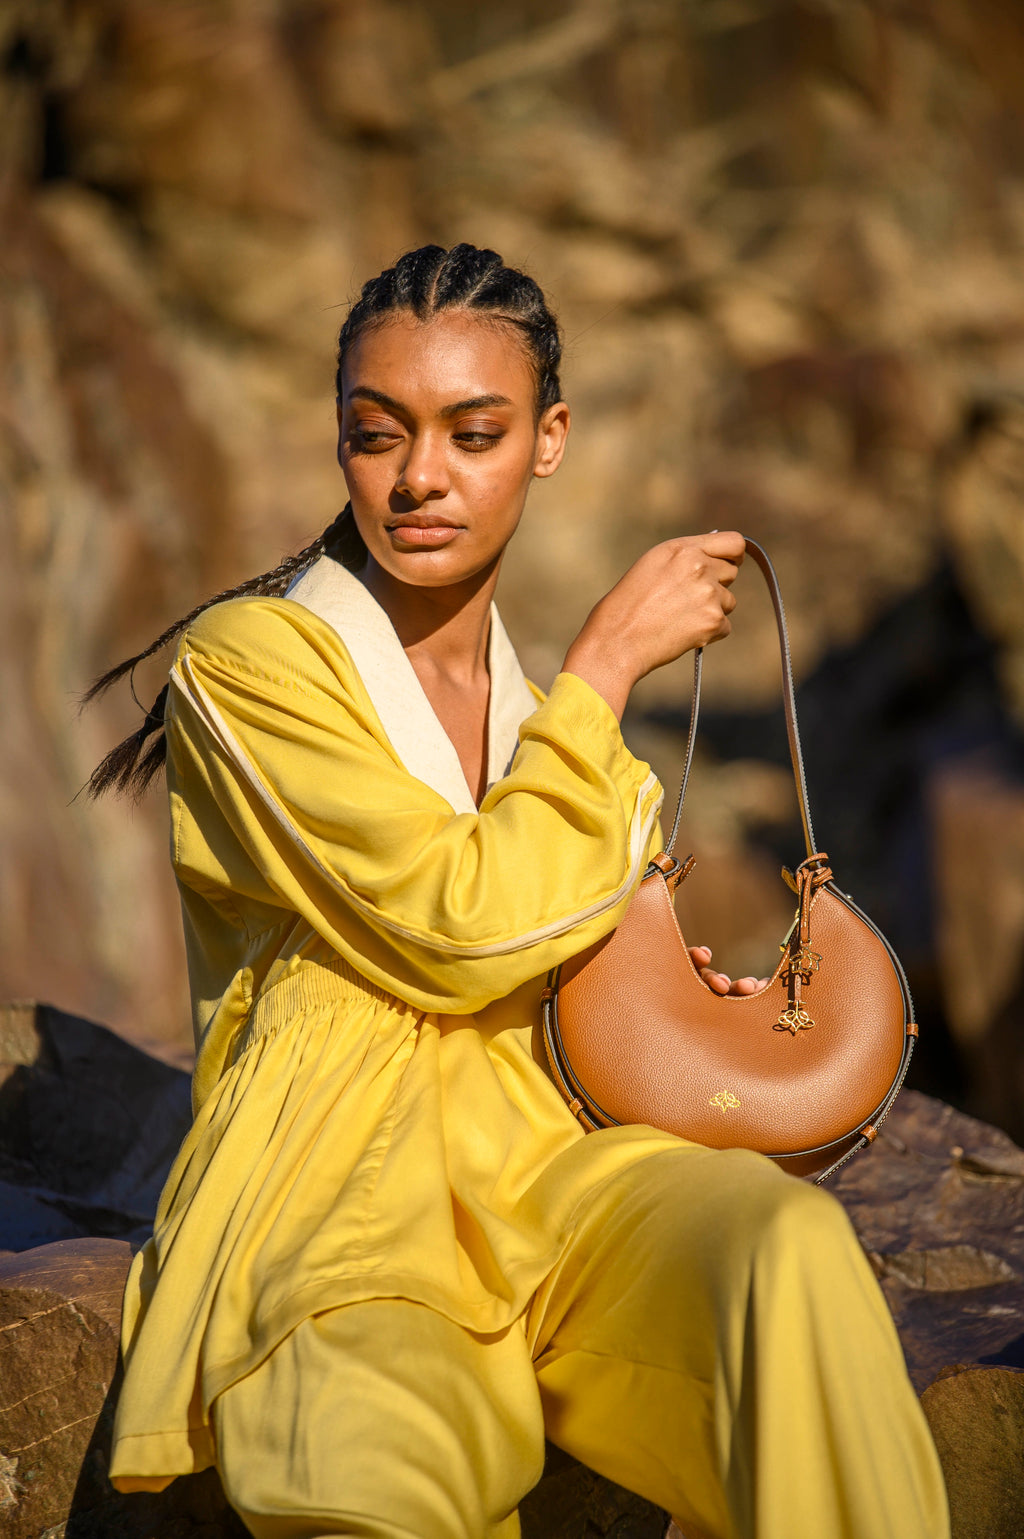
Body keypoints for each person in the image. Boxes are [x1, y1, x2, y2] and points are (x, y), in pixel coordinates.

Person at [90, 243, 948, 1539]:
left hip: (563, 1192)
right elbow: (462, 924)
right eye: (377, 435)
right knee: (367, 1473)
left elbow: (550, 953)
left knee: (786, 1252)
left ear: (548, 440)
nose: (420, 476)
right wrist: (607, 663)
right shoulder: (253, 671)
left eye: (472, 432)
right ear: (340, 444)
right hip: (346, 1217)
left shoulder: (564, 737)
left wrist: (657, 993)